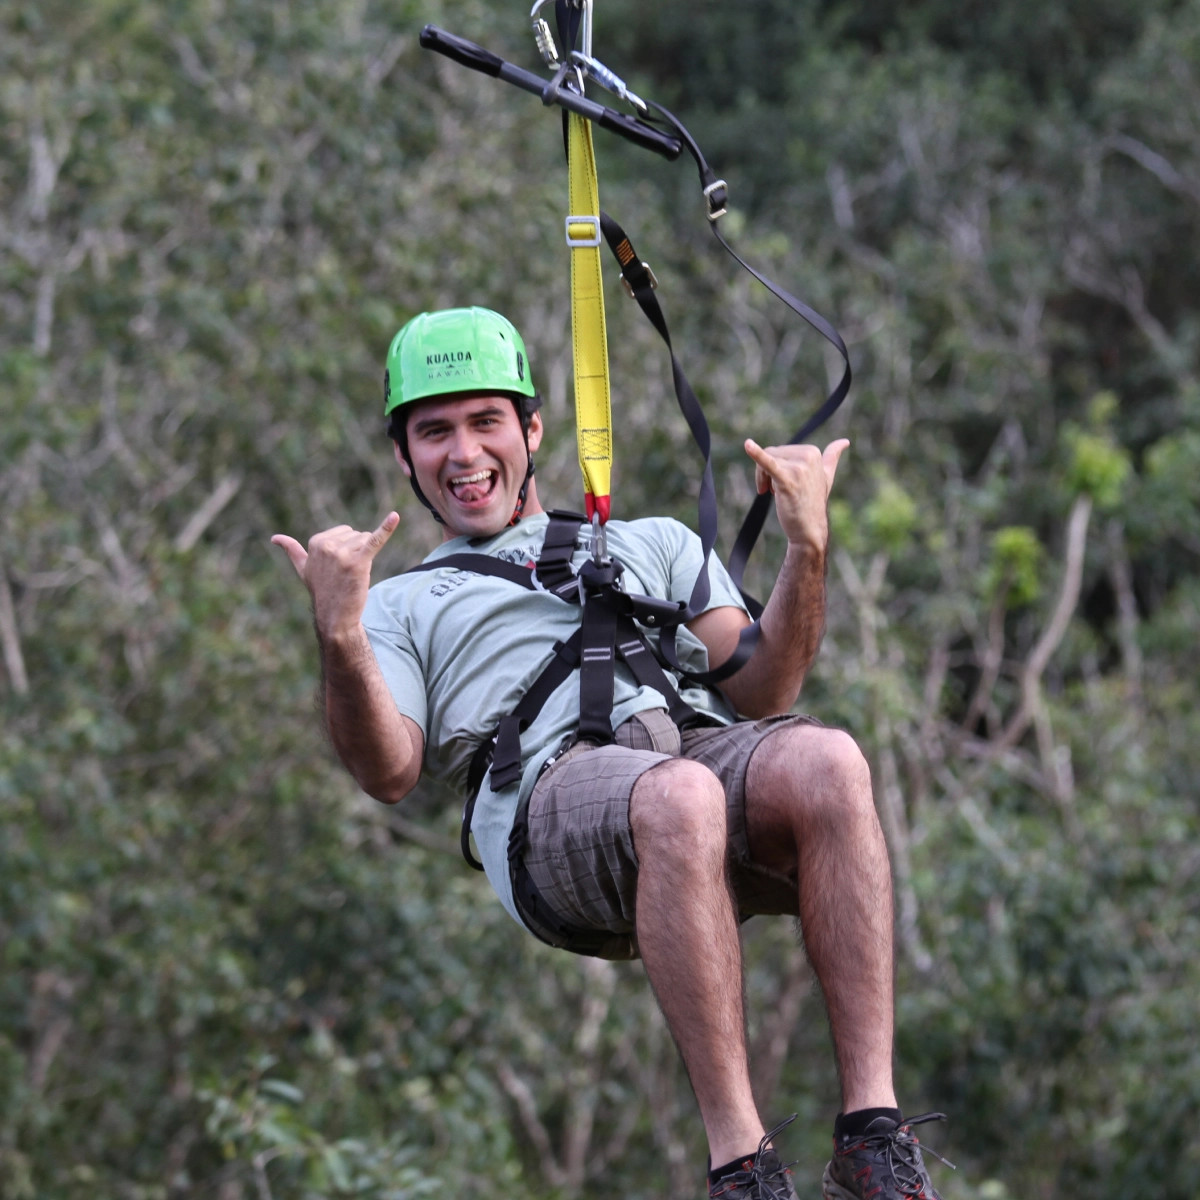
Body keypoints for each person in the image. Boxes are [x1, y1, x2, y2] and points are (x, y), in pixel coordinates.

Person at [272, 306, 949, 1200]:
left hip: (689, 758)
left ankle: (873, 1139)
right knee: (678, 799)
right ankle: (740, 1167)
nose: (464, 452)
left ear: (532, 430)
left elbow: (764, 691)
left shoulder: (652, 543)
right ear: (405, 457)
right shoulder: (398, 604)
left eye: (486, 422)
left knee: (831, 761)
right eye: (435, 432)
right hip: (549, 808)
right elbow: (387, 769)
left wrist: (806, 550)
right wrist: (341, 633)